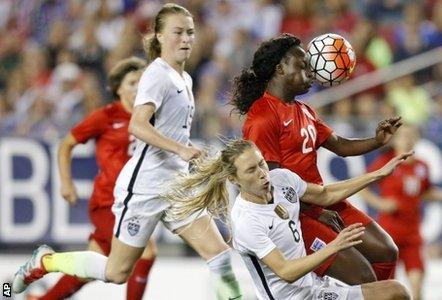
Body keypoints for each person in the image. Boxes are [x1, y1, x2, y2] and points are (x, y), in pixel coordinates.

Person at [12, 4, 241, 299]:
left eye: (190, 32)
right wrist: (180, 149)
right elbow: (138, 125)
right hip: (145, 186)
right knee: (116, 273)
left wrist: (186, 153)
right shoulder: (156, 75)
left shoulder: (185, 78)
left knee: (219, 255)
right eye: (177, 32)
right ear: (159, 36)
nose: (186, 39)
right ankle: (45, 262)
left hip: (177, 185)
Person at [231, 33, 402, 284]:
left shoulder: (304, 110)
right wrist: (312, 212)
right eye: (303, 66)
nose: (311, 74)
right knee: (363, 275)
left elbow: (340, 145)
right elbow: (271, 182)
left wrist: (377, 141)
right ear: (280, 68)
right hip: (296, 215)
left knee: (386, 251)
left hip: (323, 201)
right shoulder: (262, 116)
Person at [163, 139, 411, 300]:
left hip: (316, 289)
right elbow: (286, 271)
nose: (262, 173)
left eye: (261, 164)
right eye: (251, 170)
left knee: (396, 292)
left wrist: (378, 174)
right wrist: (335, 245)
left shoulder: (282, 180)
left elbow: (325, 194)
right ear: (234, 180)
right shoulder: (246, 221)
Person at [38, 57, 155, 300]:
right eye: (132, 82)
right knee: (145, 251)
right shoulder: (106, 116)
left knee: (90, 267)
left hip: (135, 202)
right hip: (108, 202)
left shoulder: (151, 117)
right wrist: (66, 181)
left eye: (141, 82)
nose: (137, 87)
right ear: (118, 88)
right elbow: (66, 144)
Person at [359, 125, 442, 299]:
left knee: (417, 284)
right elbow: (362, 185)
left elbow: (426, 193)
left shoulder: (422, 167)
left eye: (411, 136)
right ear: (396, 141)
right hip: (389, 234)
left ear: (416, 140)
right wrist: (380, 203)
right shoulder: (387, 162)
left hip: (412, 234)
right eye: (403, 136)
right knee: (390, 287)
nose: (407, 140)